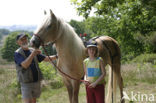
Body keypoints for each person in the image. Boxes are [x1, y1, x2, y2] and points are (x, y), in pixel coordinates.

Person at [14, 33, 57, 103]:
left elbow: (46, 58)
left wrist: (57, 56)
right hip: (26, 83)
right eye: (22, 40)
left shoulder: (32, 50)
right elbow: (25, 65)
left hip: (36, 81)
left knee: (34, 101)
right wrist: (33, 54)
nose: (24, 41)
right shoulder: (18, 53)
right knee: (27, 101)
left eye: (25, 39)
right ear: (18, 42)